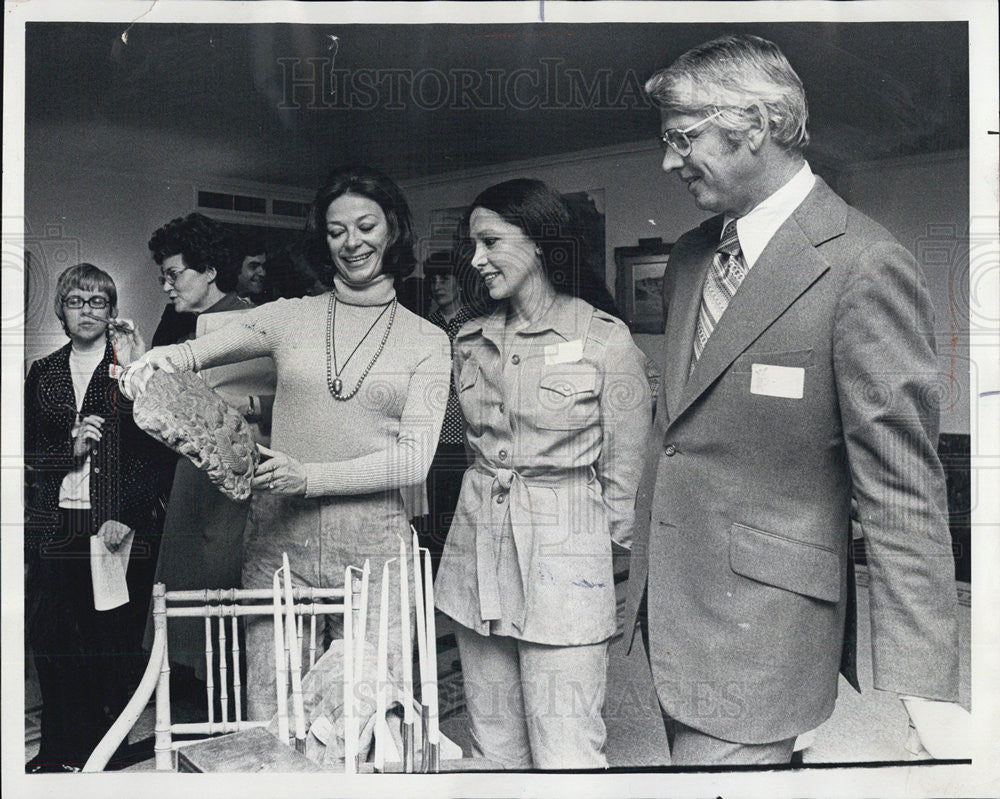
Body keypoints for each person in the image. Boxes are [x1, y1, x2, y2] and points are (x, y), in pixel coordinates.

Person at [621, 33, 968, 765]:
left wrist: (925, 689)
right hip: (672, 608)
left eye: (683, 139)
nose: (667, 161)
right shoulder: (689, 256)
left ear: (758, 124)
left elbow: (903, 491)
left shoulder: (864, 265)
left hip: (765, 629)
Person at [123, 165, 450, 720]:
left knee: (368, 712)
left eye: (366, 225)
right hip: (279, 539)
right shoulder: (291, 317)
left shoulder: (428, 340)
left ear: (392, 230)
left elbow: (415, 459)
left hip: (372, 542)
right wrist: (161, 359)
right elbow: (202, 349)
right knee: (274, 710)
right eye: (336, 230)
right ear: (323, 239)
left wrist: (311, 477)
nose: (352, 242)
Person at [434, 179, 652, 769]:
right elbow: (466, 444)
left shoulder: (605, 341)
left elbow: (627, 470)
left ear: (538, 242)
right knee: (493, 748)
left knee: (566, 748)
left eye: (490, 242)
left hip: (566, 557)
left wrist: (596, 558)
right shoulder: (470, 341)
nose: (476, 261)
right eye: (472, 245)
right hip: (476, 555)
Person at [24, 263, 173, 771]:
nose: (86, 311)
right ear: (61, 311)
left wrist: (127, 514)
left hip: (115, 523)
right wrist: (69, 448)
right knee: (52, 636)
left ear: (112, 312)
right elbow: (26, 454)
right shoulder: (42, 373)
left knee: (107, 639)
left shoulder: (134, 368)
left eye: (98, 302)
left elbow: (160, 451)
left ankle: (102, 750)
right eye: (76, 301)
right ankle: (56, 751)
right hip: (55, 521)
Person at [144, 213, 272, 698]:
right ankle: (200, 697)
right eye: (163, 276)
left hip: (237, 483)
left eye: (174, 274)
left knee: (224, 595)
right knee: (187, 600)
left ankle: (229, 704)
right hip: (192, 475)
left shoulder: (254, 321)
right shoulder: (181, 326)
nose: (166, 286)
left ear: (209, 271)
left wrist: (251, 408)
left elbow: (289, 405)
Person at [416, 250, 480, 573]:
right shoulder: (424, 328)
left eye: (445, 278)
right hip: (432, 438)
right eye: (433, 280)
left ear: (459, 283)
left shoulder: (475, 327)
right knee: (432, 519)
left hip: (467, 441)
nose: (438, 285)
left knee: (465, 516)